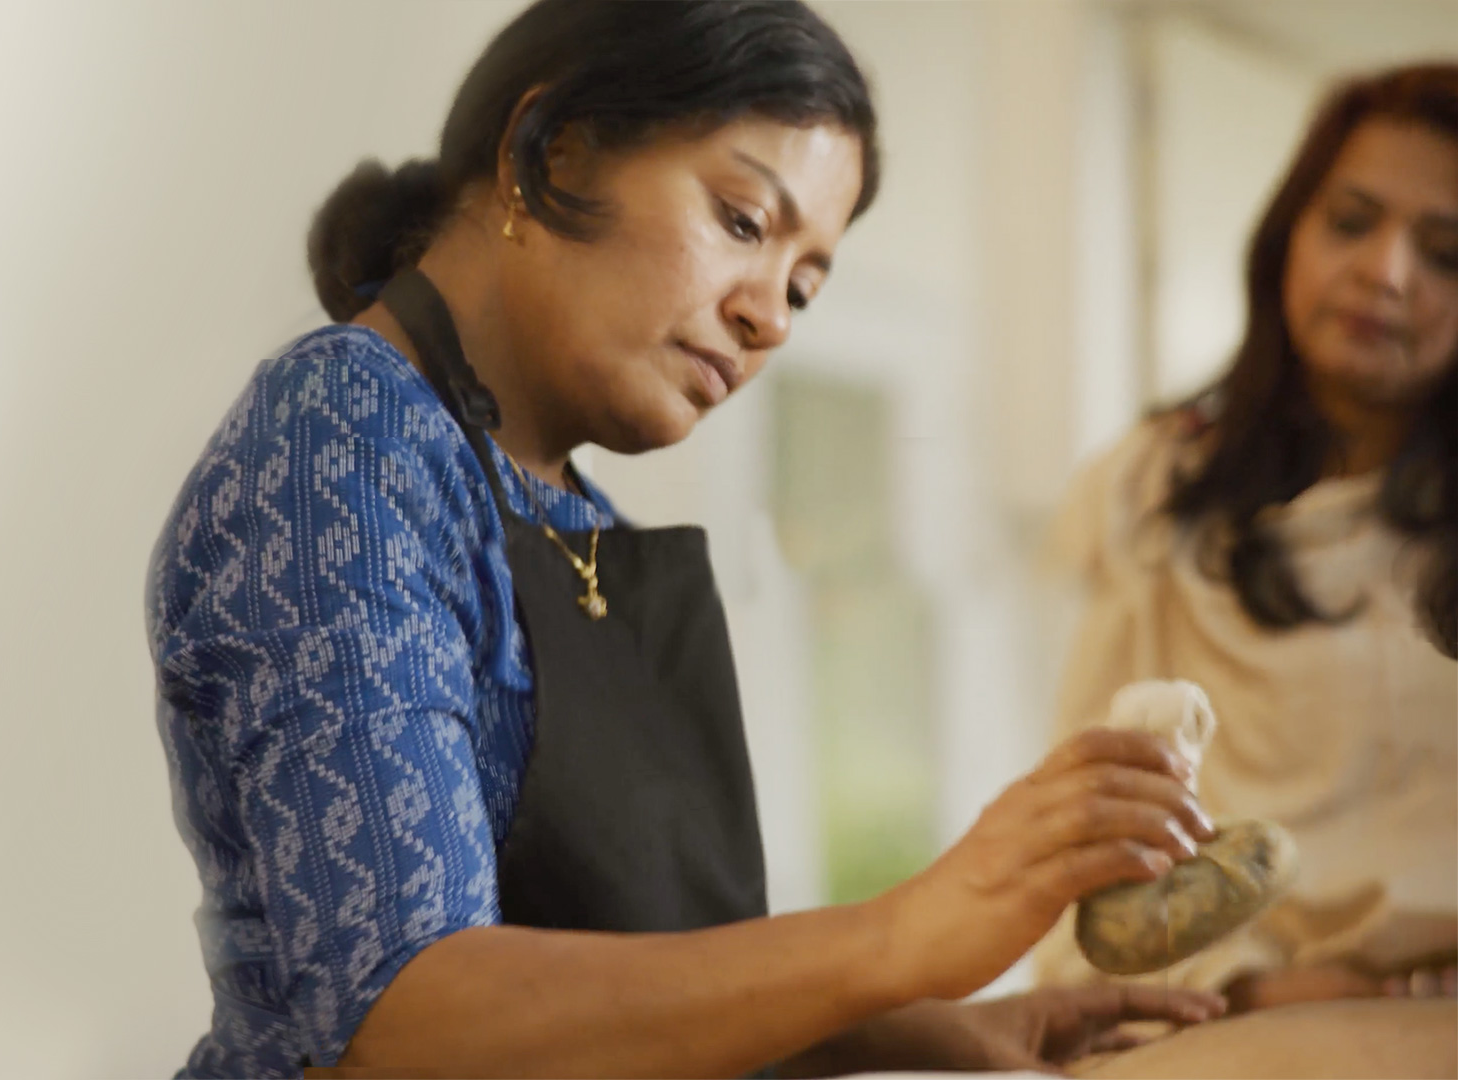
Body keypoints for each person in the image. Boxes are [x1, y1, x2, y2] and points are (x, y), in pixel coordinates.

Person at [147, 3, 1226, 1077]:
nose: (774, 319)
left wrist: (937, 1025)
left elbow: (627, 974)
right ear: (550, 152)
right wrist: (903, 936)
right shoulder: (345, 433)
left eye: (804, 284)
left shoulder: (579, 522)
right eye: (745, 222)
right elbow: (407, 1017)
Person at [1034, 63, 1458, 1015]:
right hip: (1231, 1013)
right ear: (1285, 239)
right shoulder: (1153, 489)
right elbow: (1079, 866)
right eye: (1351, 222)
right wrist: (1263, 987)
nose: (1386, 274)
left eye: (1447, 255)